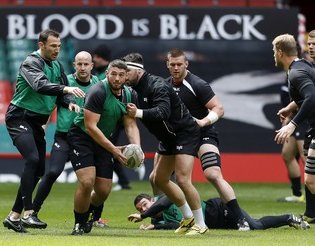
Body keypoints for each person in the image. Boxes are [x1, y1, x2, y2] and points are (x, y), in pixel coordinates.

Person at [2, 29, 85, 233]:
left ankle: (13, 216)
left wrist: (70, 103)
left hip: (37, 121)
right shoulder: (31, 62)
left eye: (59, 46)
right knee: (31, 159)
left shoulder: (57, 66)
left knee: (38, 169)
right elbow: (40, 85)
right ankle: (29, 213)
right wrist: (66, 90)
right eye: (53, 46)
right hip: (19, 117)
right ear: (41, 45)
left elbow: (62, 95)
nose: (57, 50)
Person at [163, 48, 249, 230]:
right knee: (158, 178)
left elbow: (219, 108)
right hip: (179, 139)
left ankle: (241, 219)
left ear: (186, 64)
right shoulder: (164, 86)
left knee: (213, 175)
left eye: (180, 64)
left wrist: (203, 122)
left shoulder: (197, 84)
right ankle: (178, 218)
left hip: (203, 135)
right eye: (173, 64)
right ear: (167, 65)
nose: (176, 68)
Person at [122, 53, 208, 235]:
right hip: (168, 138)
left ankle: (201, 224)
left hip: (185, 133)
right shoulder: (132, 90)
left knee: (183, 180)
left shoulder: (158, 85)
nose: (124, 76)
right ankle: (187, 219)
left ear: (138, 71)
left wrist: (137, 113)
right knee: (159, 179)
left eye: (126, 72)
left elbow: (162, 112)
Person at [29, 51, 111, 227]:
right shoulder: (64, 82)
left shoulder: (98, 84)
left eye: (85, 64)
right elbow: (50, 106)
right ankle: (33, 212)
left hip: (89, 138)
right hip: (64, 137)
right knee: (52, 172)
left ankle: (95, 217)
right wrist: (42, 129)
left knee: (97, 180)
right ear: (74, 65)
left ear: (91, 66)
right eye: (79, 64)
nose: (82, 67)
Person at [67, 59, 141, 235]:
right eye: (113, 74)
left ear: (126, 78)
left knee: (103, 191)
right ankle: (79, 223)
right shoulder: (98, 91)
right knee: (86, 182)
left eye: (121, 75)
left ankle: (89, 214)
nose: (116, 78)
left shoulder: (130, 95)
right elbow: (91, 127)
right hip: (82, 136)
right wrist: (114, 149)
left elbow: (130, 124)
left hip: (103, 140)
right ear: (107, 74)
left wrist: (137, 148)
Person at [273, 33, 315, 225]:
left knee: (311, 179)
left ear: (280, 52)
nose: (273, 55)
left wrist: (292, 124)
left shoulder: (296, 72)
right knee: (310, 176)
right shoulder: (304, 66)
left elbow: (312, 97)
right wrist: (291, 107)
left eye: (274, 51)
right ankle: (311, 213)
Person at [127, 193, 310, 230]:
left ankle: (289, 218)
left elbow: (166, 201)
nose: (144, 208)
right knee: (256, 224)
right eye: (140, 208)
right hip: (216, 224)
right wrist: (154, 227)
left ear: (152, 200)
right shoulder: (158, 222)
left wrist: (143, 216)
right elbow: (177, 225)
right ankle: (288, 219)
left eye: (144, 204)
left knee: (255, 226)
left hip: (219, 208)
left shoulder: (163, 200)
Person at [92, 44, 132, 191]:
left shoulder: (105, 77)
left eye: (96, 57)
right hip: (101, 120)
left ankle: (124, 182)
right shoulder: (99, 75)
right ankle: (123, 181)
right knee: (110, 149)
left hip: (113, 120)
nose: (94, 59)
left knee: (111, 149)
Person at [278, 77, 307, 203]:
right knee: (288, 154)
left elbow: (308, 98)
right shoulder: (292, 73)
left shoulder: (304, 71)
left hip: (306, 118)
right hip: (296, 117)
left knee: (307, 157)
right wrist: (289, 116)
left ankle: (311, 197)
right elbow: (297, 98)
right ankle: (297, 194)